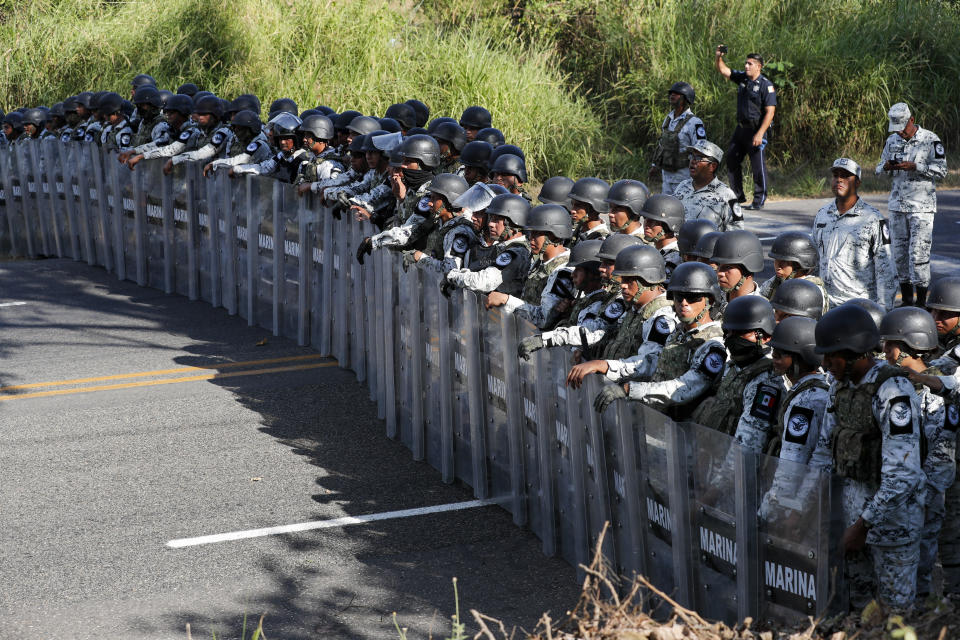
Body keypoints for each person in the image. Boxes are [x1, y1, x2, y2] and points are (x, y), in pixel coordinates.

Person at [808, 305, 925, 610]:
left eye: (831, 356)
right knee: (859, 611)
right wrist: (808, 504)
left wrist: (863, 526)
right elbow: (823, 450)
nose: (825, 364)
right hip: (852, 523)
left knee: (894, 615)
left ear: (852, 351)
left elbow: (903, 474)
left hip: (891, 528)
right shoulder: (839, 388)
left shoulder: (893, 391)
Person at [879, 307, 957, 602]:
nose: (884, 350)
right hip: (900, 497)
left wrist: (922, 504)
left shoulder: (937, 394)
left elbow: (940, 462)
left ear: (907, 347)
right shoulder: (898, 384)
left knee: (919, 570)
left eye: (890, 344)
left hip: (923, 501)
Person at [565, 244, 678, 392]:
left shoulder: (663, 317)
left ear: (649, 280)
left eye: (629, 281)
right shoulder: (633, 308)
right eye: (622, 279)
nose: (623, 286)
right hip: (616, 391)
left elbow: (646, 364)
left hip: (636, 399)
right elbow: (610, 336)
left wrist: (602, 365)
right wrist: (588, 352)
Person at [874, 103, 947, 307]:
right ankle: (906, 301)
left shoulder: (930, 139)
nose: (900, 132)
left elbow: (942, 171)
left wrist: (917, 166)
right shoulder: (892, 140)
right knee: (898, 254)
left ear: (912, 120)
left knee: (919, 255)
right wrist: (887, 167)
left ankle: (921, 303)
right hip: (897, 206)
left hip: (921, 207)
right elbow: (879, 168)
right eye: (896, 127)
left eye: (903, 127)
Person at [812, 158, 897, 309]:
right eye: (836, 175)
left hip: (858, 306)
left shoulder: (873, 218)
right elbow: (814, 258)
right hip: (825, 303)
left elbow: (886, 269)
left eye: (845, 176)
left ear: (858, 183)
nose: (839, 179)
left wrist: (884, 311)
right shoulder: (822, 214)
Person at [486, 204, 573, 328]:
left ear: (555, 235)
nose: (531, 238)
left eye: (537, 233)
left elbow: (544, 318)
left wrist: (507, 300)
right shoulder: (541, 261)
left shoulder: (563, 271)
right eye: (530, 233)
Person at [714, 47, 776, 210]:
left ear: (759, 66)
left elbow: (770, 112)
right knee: (732, 159)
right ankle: (738, 197)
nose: (746, 66)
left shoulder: (765, 85)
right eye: (746, 63)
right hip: (741, 129)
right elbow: (724, 70)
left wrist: (760, 133)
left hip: (756, 130)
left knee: (757, 166)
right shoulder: (743, 79)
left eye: (750, 64)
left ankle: (759, 199)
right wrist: (719, 57)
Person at [442, 193, 531, 297]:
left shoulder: (517, 252)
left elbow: (484, 282)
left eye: (496, 220)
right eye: (491, 219)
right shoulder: (507, 247)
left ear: (513, 223)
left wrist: (452, 275)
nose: (490, 224)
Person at [673, 139, 743, 231]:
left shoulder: (727, 195)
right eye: (692, 156)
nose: (692, 161)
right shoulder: (682, 186)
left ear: (712, 166)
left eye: (698, 158)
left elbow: (736, 232)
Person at [650, 81, 706, 195]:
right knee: (666, 209)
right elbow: (662, 144)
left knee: (682, 209)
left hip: (684, 177)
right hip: (666, 176)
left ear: (686, 98)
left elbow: (701, 149)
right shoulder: (668, 119)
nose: (672, 95)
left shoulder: (695, 122)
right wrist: (655, 165)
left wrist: (699, 174)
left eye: (677, 94)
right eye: (671, 93)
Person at [758, 231, 829, 316]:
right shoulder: (774, 283)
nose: (778, 266)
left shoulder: (811, 291)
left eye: (784, 262)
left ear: (799, 265)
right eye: (776, 261)